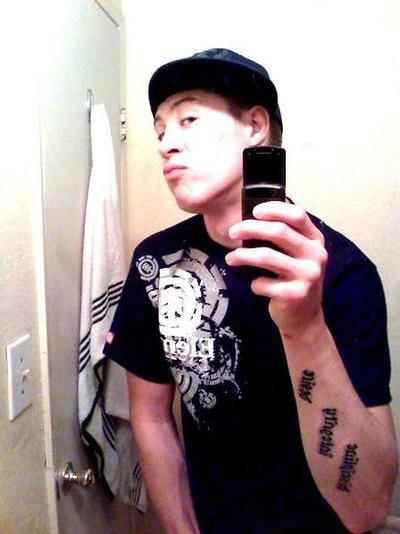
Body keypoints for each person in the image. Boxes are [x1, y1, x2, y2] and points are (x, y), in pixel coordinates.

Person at [104, 48, 398, 533]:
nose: (166, 145)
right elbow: (150, 416)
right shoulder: (156, 265)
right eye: (160, 131)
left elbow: (366, 510)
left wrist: (305, 328)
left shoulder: (343, 273)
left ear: (255, 126)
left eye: (188, 119)